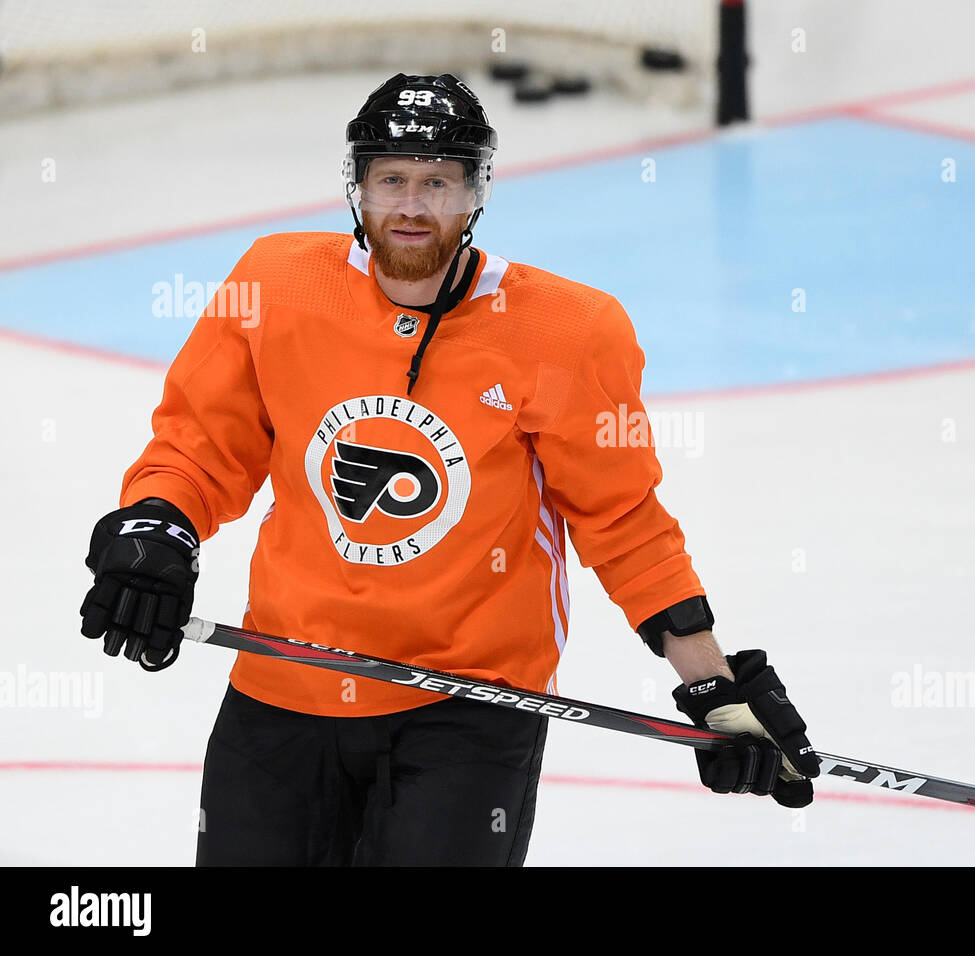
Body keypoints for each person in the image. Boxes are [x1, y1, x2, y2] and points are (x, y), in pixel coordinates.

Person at [78, 73, 820, 866]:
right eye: (390, 179)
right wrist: (158, 525)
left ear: (477, 194)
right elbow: (201, 442)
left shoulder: (566, 330)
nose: (411, 204)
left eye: (439, 182)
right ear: (356, 188)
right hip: (285, 680)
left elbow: (620, 518)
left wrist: (708, 682)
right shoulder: (276, 283)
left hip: (471, 705)